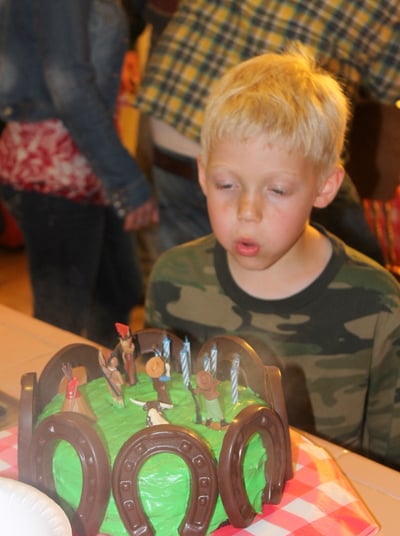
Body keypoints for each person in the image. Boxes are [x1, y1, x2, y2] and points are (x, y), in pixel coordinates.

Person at [145, 46, 400, 469]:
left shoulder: (379, 306)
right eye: (226, 184)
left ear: (324, 187)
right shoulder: (174, 280)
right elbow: (162, 413)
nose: (247, 212)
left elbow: (387, 471)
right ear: (203, 174)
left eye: (277, 190)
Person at [135, 0, 400, 262]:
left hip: (177, 105)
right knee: (354, 263)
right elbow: (386, 86)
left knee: (194, 267)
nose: (247, 212)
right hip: (280, 140)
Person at [0, 0, 158, 347]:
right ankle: (57, 400)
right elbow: (69, 85)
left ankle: (108, 391)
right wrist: (128, 182)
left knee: (118, 290)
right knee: (59, 325)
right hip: (56, 169)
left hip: (83, 161)